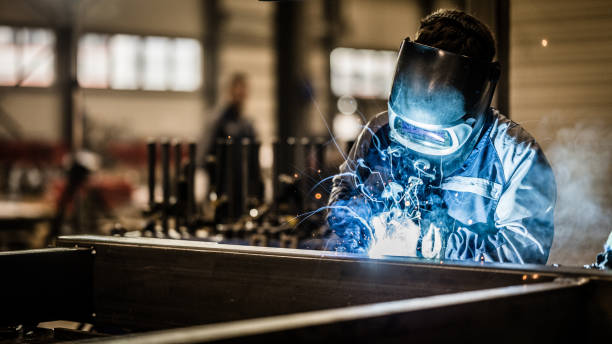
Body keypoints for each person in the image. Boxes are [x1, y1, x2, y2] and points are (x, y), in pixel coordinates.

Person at [327, 9, 556, 264]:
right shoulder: (379, 131)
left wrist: (445, 244)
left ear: (479, 87)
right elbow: (344, 192)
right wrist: (358, 222)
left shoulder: (516, 154)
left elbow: (525, 255)